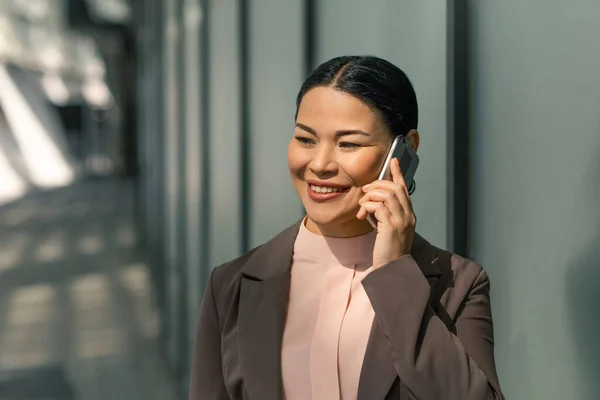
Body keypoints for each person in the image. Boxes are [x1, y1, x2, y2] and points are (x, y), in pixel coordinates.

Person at [189, 55, 504, 400]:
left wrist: (395, 272)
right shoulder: (230, 286)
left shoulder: (458, 285)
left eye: (348, 144)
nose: (320, 165)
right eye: (306, 139)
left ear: (405, 151)